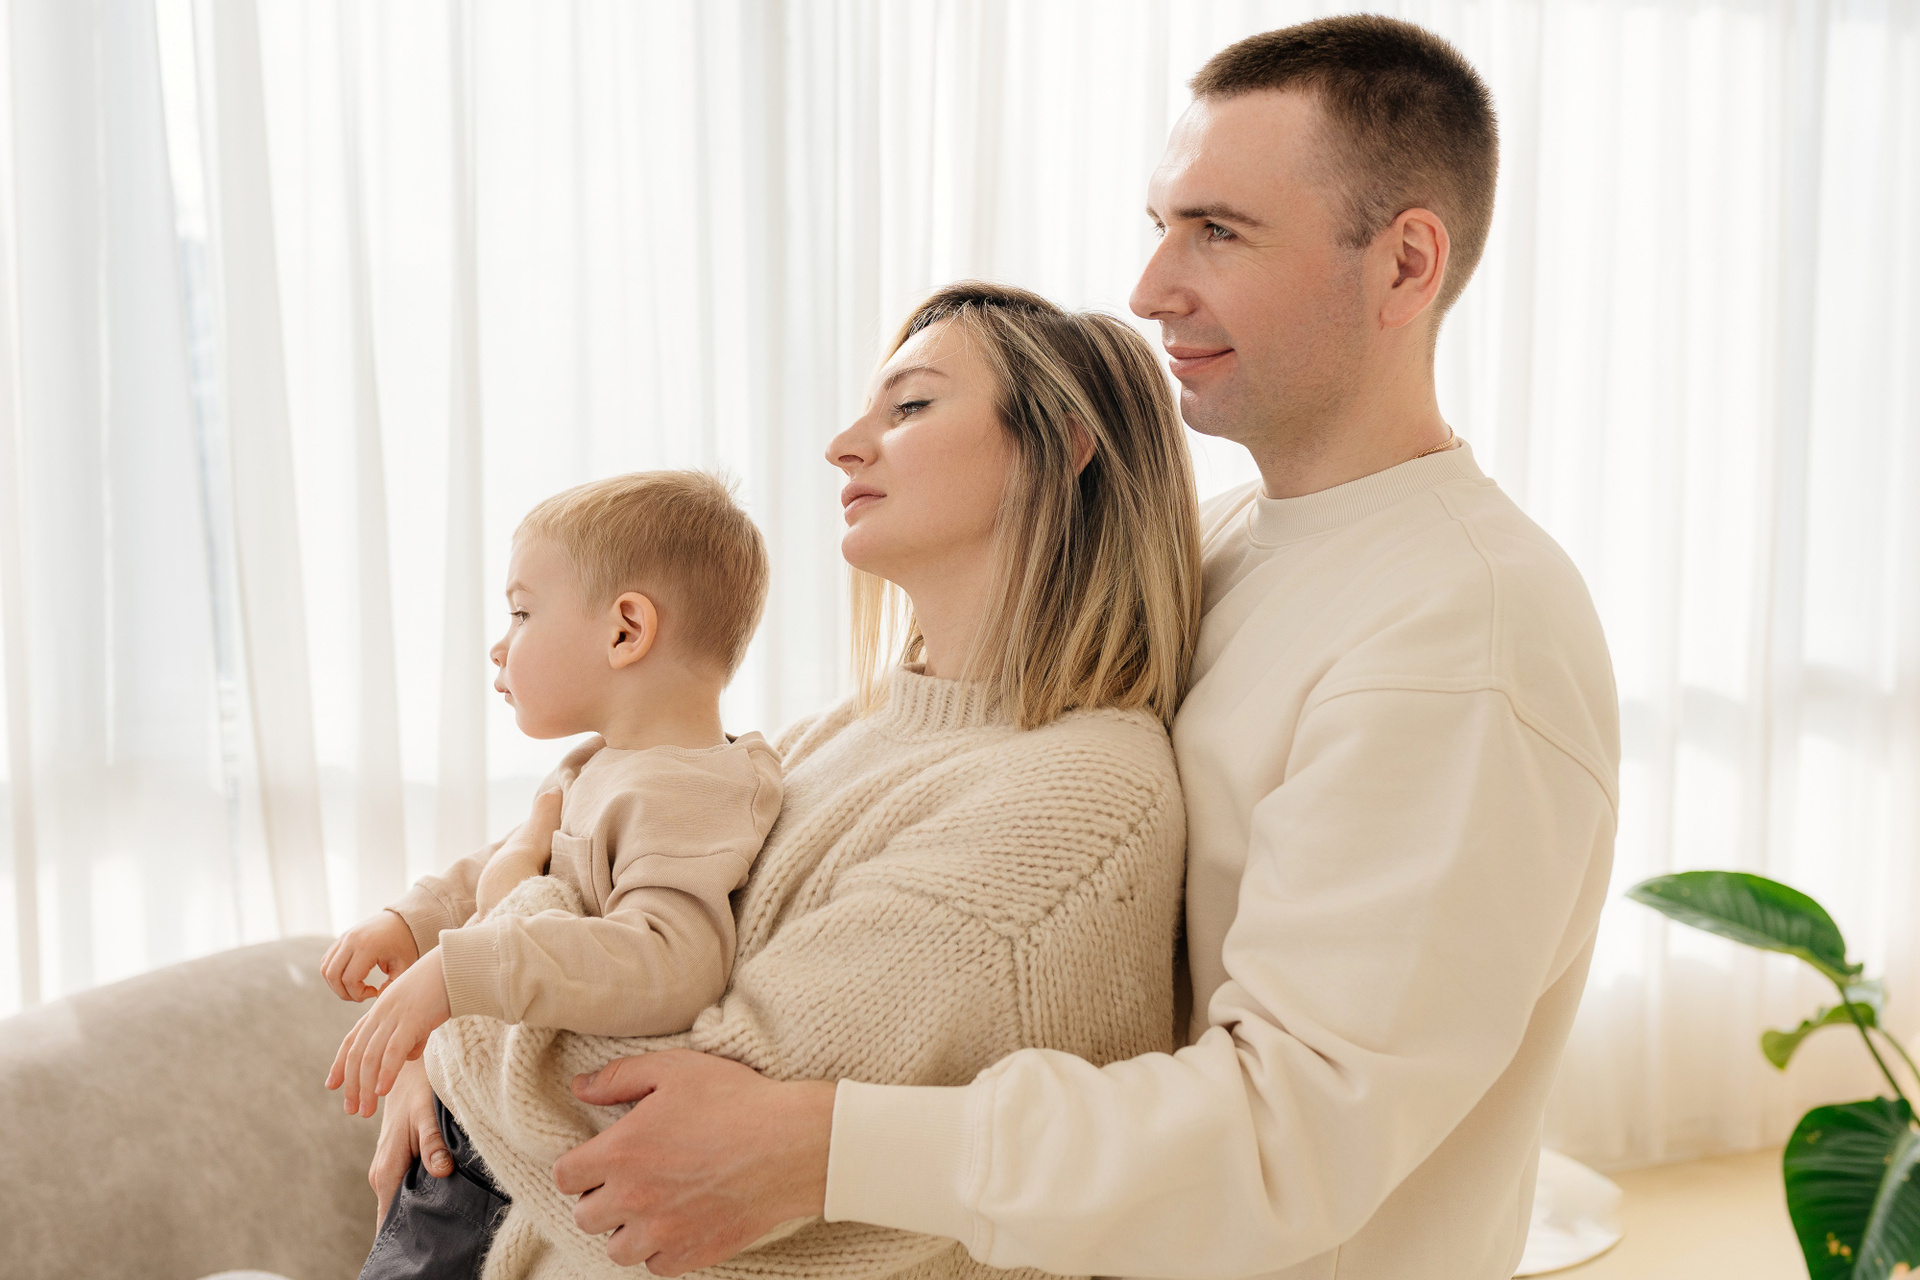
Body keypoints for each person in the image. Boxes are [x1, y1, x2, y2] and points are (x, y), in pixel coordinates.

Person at [541, 16, 1620, 1280]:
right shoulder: (1220, 545)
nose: (1152, 285)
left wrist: (821, 1141)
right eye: (1160, 223)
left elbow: (1293, 1136)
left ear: (1406, 263)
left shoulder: (1465, 633)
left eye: (1219, 231)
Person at [360, 281, 1206, 1277]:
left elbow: (647, 1135)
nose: (844, 445)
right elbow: (602, 911)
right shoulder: (840, 734)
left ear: (1060, 447)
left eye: (910, 406)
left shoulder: (1074, 803)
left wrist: (479, 963)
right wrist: (430, 1047)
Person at [320, 471, 785, 1275]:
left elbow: (672, 959)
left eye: (522, 612)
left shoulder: (689, 790)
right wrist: (414, 920)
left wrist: (458, 972)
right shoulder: (601, 765)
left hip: (507, 1167)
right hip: (473, 1134)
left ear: (626, 631)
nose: (499, 645)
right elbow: (513, 861)